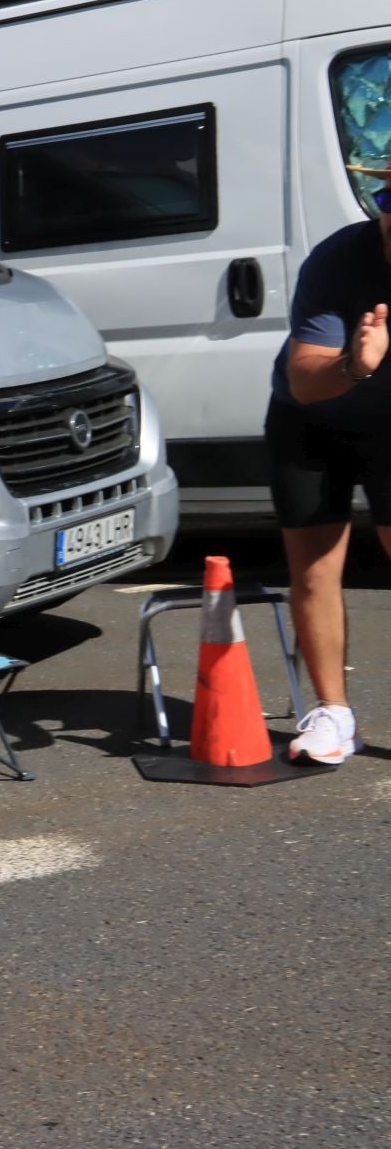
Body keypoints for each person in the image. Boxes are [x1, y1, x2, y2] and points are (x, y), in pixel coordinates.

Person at [265, 166, 391, 765]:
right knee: (315, 569)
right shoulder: (340, 261)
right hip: (311, 419)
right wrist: (357, 366)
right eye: (388, 198)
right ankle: (333, 715)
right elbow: (303, 377)